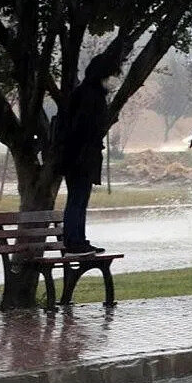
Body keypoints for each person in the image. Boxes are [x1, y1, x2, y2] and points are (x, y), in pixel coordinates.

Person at [58, 48, 124, 257]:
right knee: (77, 199)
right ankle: (73, 241)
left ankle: (78, 239)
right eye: (112, 75)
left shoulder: (86, 93)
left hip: (80, 156)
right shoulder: (89, 96)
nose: (114, 80)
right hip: (80, 156)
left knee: (79, 199)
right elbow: (83, 127)